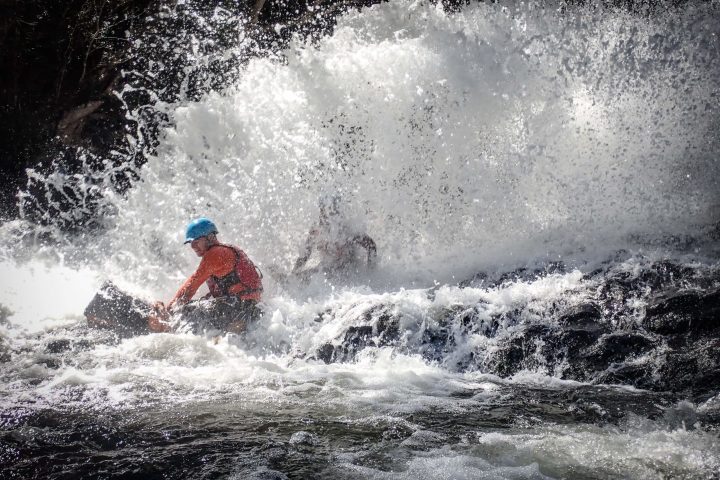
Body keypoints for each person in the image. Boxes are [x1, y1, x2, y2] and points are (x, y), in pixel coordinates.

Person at [149, 218, 263, 334]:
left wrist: (168, 311)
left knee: (184, 311)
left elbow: (190, 287)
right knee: (195, 306)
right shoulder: (229, 250)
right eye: (191, 243)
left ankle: (164, 329)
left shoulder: (215, 255)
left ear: (210, 237)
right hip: (248, 310)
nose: (193, 246)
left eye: (196, 241)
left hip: (237, 309)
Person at [291, 195, 377, 282]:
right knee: (301, 277)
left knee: (311, 277)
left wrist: (370, 274)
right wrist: (293, 273)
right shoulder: (317, 230)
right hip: (328, 268)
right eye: (323, 212)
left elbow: (371, 245)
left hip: (349, 270)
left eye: (331, 213)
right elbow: (305, 254)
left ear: (338, 213)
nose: (325, 217)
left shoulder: (347, 230)